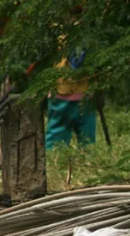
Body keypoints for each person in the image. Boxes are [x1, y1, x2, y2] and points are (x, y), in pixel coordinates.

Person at [45, 6, 97, 150]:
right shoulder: (60, 34)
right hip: (63, 92)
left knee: (86, 139)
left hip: (82, 92)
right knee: (58, 139)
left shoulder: (88, 37)